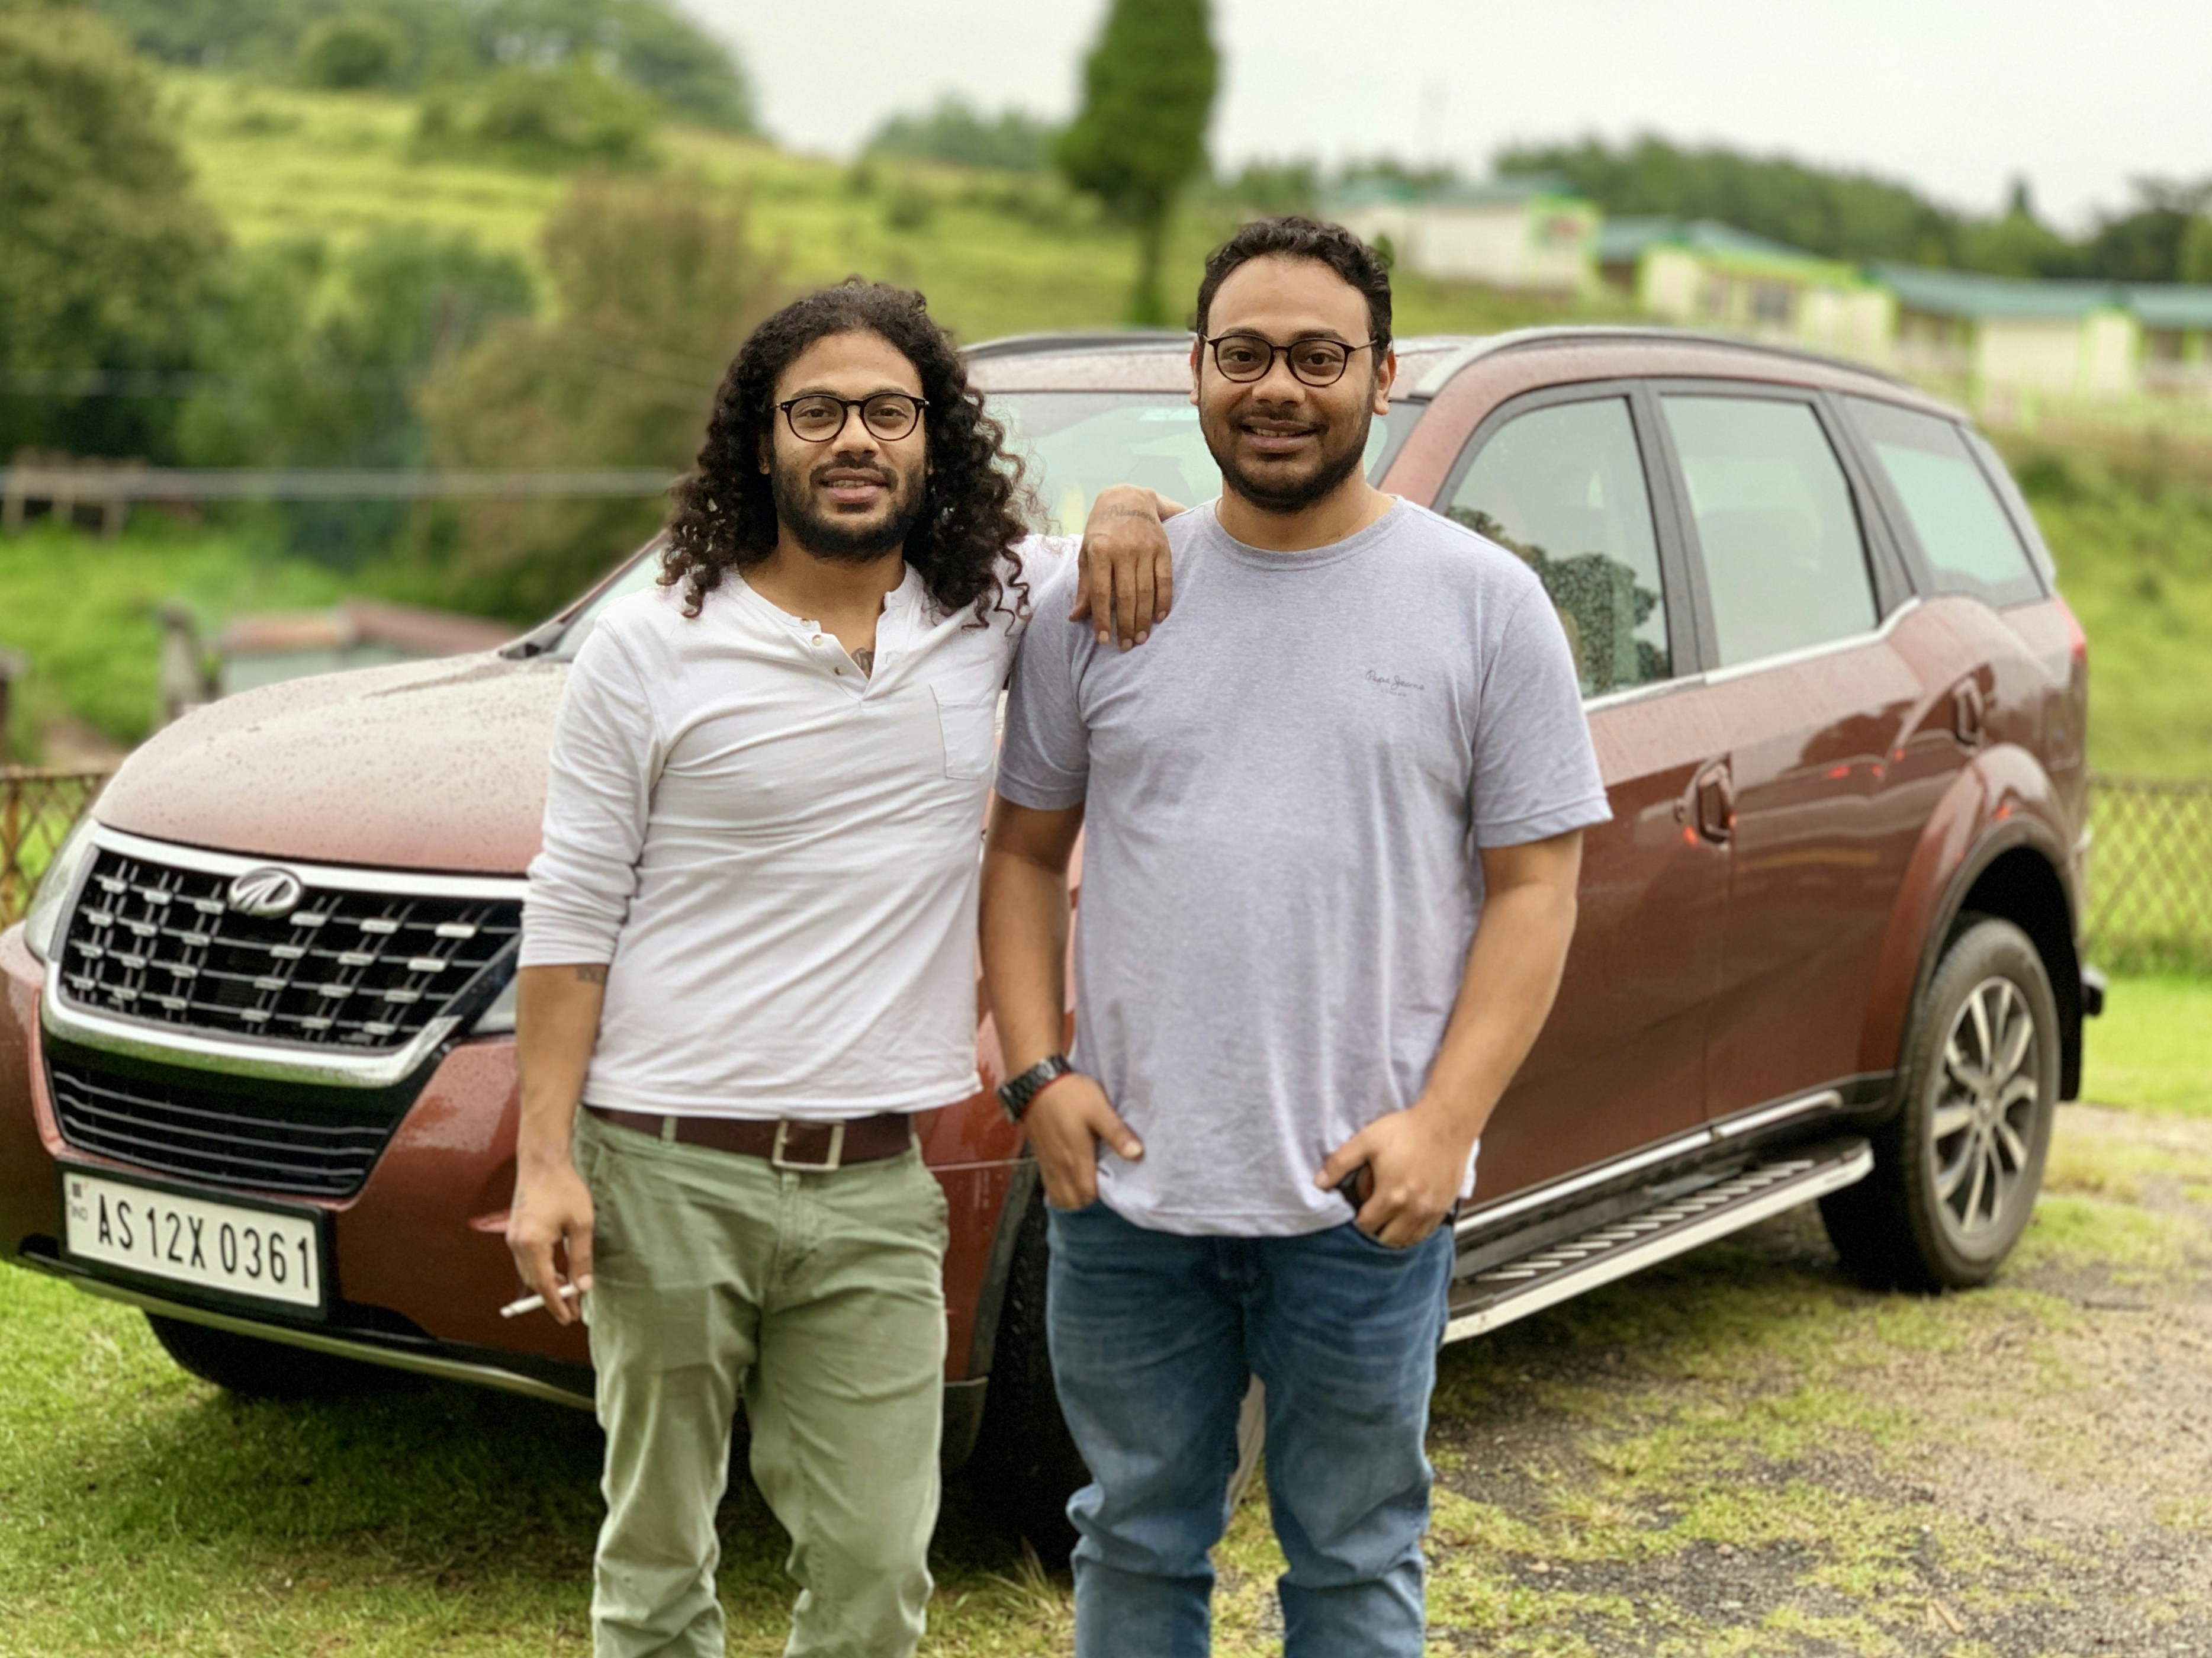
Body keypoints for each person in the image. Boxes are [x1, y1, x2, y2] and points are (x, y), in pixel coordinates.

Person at [505, 278, 1173, 1658]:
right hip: (667, 1163)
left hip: (873, 1182)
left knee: (876, 1573)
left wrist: (1121, 500)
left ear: (932, 439)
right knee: (656, 1561)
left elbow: (1132, 536)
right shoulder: (653, 640)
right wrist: (543, 1160)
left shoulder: (985, 607)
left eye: (886, 410)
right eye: (815, 412)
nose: (853, 437)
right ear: (761, 442)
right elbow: (571, 914)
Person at [979, 218, 1612, 1658]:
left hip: (1362, 1196)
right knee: (1132, 1537)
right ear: (1194, 370)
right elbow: (1020, 852)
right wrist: (1035, 1074)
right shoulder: (1104, 598)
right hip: (1127, 1195)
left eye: (1318, 357)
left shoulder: (1484, 605)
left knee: (1354, 1550)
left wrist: (1444, 1125)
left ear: (1382, 374)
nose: (1277, 386)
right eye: (1245, 353)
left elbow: (1535, 888)